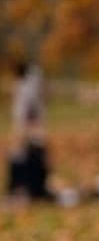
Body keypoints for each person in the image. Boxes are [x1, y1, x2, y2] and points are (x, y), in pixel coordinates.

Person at [6, 58, 53, 201]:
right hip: (30, 128)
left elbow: (29, 111)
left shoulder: (27, 87)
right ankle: (28, 188)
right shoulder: (28, 84)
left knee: (29, 158)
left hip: (29, 130)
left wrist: (25, 132)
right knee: (26, 158)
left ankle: (31, 189)